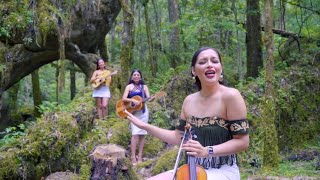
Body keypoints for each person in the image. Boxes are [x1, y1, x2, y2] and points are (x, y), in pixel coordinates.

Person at [124, 47, 249, 179]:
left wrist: (207, 151)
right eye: (202, 62)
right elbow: (178, 137)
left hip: (223, 170)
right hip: (190, 170)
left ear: (221, 68)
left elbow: (242, 142)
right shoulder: (189, 101)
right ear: (194, 71)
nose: (209, 65)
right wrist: (144, 126)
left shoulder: (231, 96)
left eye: (214, 61)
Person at [122, 69, 154, 165]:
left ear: (140, 76)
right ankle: (133, 157)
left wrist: (152, 98)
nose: (136, 76)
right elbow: (123, 98)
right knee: (135, 134)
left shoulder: (144, 87)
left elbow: (148, 98)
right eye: (134, 75)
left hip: (143, 112)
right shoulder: (129, 86)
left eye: (138, 75)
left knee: (142, 134)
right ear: (132, 76)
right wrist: (132, 100)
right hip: (133, 113)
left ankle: (140, 156)